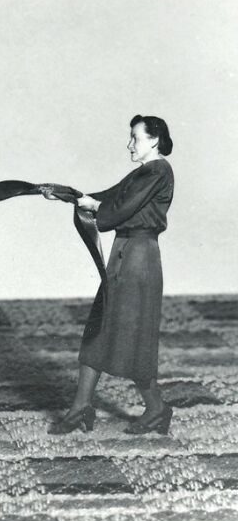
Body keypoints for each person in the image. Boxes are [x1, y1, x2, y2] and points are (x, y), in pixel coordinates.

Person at [47, 115, 175, 436]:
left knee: (134, 338)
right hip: (123, 257)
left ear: (154, 140)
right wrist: (68, 195)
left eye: (136, 138)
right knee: (99, 330)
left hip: (139, 261)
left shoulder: (159, 172)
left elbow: (119, 208)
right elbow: (110, 194)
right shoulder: (143, 172)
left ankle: (156, 408)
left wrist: (94, 207)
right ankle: (80, 408)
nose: (130, 144)